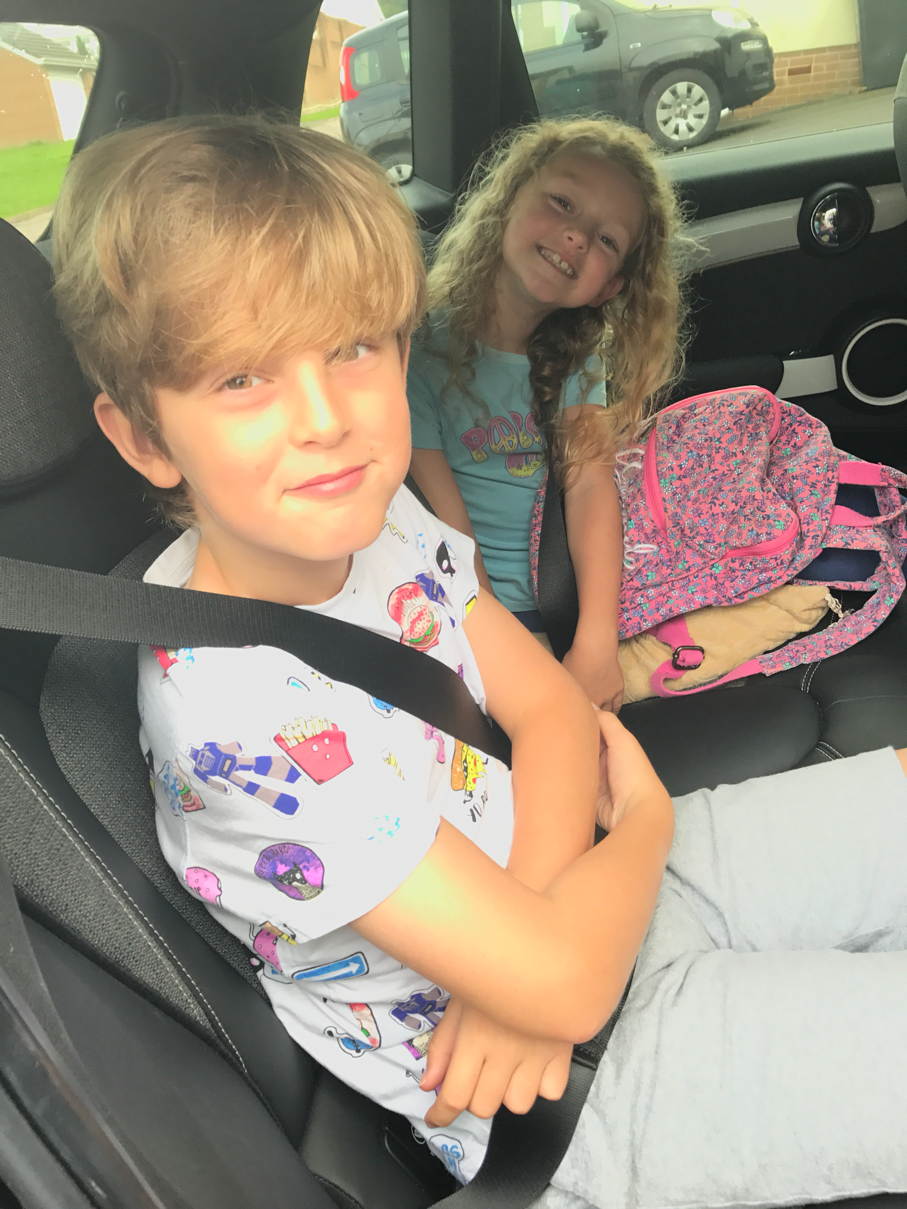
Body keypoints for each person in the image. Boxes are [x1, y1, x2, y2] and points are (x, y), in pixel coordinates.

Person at [51, 114, 907, 1209]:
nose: (325, 419)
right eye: (241, 379)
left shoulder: (384, 525)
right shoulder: (235, 720)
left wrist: (551, 917)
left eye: (353, 348)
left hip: (583, 898)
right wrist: (639, 827)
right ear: (143, 437)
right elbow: (567, 987)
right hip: (574, 1087)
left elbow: (550, 713)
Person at [407, 117, 692, 713]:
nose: (576, 237)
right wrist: (509, 656)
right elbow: (449, 532)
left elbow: (590, 488)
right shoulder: (420, 351)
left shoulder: (577, 358)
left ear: (610, 288)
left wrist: (595, 642)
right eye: (562, 203)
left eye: (606, 240)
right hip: (475, 612)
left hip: (568, 607)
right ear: (510, 198)